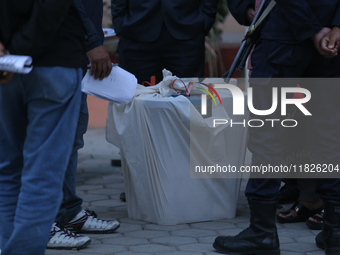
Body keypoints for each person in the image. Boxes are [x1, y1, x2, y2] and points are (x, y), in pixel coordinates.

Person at [213, 0, 340, 254]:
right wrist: (335, 28)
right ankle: (335, 232)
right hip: (328, 42)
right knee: (328, 135)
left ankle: (262, 233)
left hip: (283, 40)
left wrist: (314, 30)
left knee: (269, 134)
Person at [0, 0, 87, 254]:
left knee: (7, 171)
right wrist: (22, 50)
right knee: (42, 174)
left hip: (6, 65)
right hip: (52, 60)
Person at [47, 0, 120, 250]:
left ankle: (68, 212)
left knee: (72, 137)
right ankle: (40, 222)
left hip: (73, 50)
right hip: (53, 50)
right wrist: (92, 40)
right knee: (44, 143)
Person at [111, 0, 219, 84]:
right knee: (137, 104)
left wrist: (204, 23)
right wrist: (120, 25)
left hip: (187, 37)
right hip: (135, 36)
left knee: (188, 104)